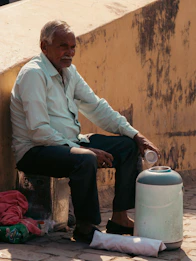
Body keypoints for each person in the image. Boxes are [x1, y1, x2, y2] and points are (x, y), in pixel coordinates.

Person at [10, 20, 160, 243]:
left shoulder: (69, 72)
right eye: (63, 46)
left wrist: (134, 134)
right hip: (36, 150)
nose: (69, 53)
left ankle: (119, 218)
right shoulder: (34, 74)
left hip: (69, 143)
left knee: (127, 146)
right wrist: (79, 149)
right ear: (44, 46)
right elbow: (39, 132)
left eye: (72, 47)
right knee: (86, 159)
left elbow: (96, 107)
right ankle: (85, 226)